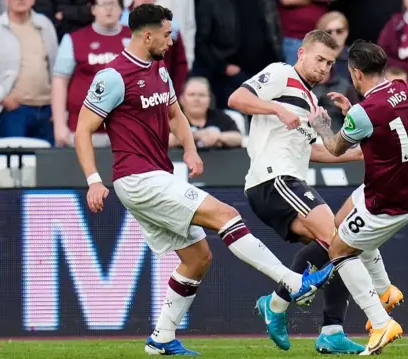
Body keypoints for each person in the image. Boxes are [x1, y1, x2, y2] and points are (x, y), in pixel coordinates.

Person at [74, 4, 333, 356]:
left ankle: (161, 339)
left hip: (157, 173)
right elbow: (82, 130)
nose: (171, 41)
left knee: (197, 258)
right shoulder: (113, 77)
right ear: (147, 34)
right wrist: (93, 179)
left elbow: (175, 114)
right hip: (136, 177)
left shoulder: (159, 70)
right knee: (226, 215)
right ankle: (291, 282)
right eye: (166, 35)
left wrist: (191, 150)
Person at [228, 30, 402, 354]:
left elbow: (319, 151)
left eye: (330, 63)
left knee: (335, 245)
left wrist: (367, 149)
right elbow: (236, 99)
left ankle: (328, 329)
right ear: (302, 53)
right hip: (273, 179)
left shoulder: (310, 100)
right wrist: (276, 109)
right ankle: (377, 319)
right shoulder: (281, 73)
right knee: (342, 238)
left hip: (289, 182)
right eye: (319, 59)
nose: (324, 68)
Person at [309, 40, 408, 355]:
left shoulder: (364, 113)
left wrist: (323, 124)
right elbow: (383, 124)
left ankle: (380, 321)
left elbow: (334, 147)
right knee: (341, 223)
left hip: (387, 201)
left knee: (339, 250)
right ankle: (385, 289)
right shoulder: (404, 88)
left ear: (356, 74)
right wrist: (353, 114)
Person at [52, 0, 130, 148]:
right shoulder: (73, 39)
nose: (109, 9)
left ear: (121, 9)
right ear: (93, 9)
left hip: (126, 133)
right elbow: (60, 82)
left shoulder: (136, 39)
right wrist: (60, 125)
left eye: (113, 4)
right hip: (83, 131)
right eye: (103, 4)